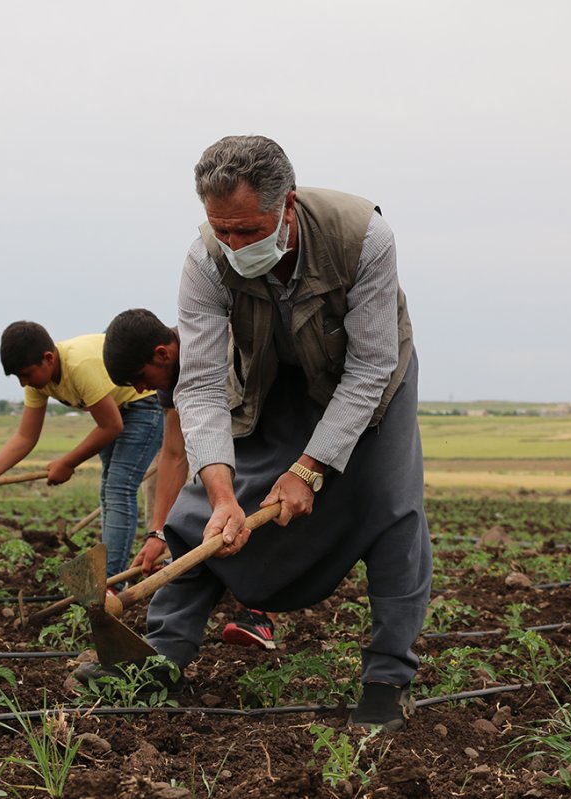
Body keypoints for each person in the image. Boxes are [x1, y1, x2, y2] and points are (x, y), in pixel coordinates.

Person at [83, 135, 432, 731]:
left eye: (248, 230)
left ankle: (386, 678)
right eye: (223, 230)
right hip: (270, 381)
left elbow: (370, 367)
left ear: (287, 205)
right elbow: (196, 384)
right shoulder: (205, 260)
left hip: (371, 385)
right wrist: (222, 494)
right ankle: (161, 659)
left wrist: (309, 468)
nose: (235, 245)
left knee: (390, 510)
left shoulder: (363, 238)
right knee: (195, 515)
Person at [103, 307, 278, 650]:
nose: (140, 388)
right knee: (190, 516)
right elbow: (173, 452)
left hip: (270, 425)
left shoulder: (222, 343)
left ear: (161, 353)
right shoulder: (170, 375)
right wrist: (157, 532)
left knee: (259, 495)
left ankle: (261, 615)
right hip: (225, 440)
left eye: (140, 377)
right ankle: (169, 644)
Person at [0, 321, 162, 578]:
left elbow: (110, 426)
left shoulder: (78, 366)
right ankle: (109, 575)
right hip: (117, 409)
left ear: (48, 358)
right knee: (108, 490)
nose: (24, 383)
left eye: (26, 374)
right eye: (18, 378)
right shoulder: (37, 383)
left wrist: (67, 463)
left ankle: (111, 580)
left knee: (119, 488)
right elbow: (25, 437)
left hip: (142, 401)